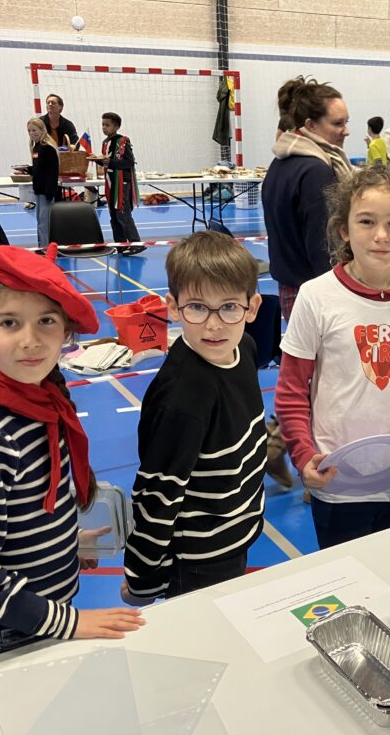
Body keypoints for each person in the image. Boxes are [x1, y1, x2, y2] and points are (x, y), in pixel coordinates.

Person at [0, 244, 145, 667]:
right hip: (0, 640)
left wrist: (63, 545)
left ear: (66, 333)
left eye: (46, 321)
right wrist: (70, 623)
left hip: (37, 621)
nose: (30, 340)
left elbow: (20, 515)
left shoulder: (44, 406)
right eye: (9, 323)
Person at [275, 164, 390, 548]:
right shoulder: (316, 297)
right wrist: (303, 454)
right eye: (366, 221)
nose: (381, 235)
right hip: (336, 479)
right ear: (344, 229)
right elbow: (291, 390)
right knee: (345, 574)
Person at [122, 231, 266, 603]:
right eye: (198, 307)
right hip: (197, 561)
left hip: (237, 536)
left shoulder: (245, 348)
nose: (214, 325)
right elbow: (157, 494)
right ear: (173, 307)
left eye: (229, 307)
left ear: (252, 307)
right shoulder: (182, 399)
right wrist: (142, 580)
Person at [261, 76, 353, 322]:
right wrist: (339, 295)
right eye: (338, 123)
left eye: (346, 122)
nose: (346, 130)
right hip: (313, 292)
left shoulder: (281, 160)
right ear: (311, 125)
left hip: (291, 286)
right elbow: (324, 245)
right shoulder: (315, 171)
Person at [92, 112, 144, 255]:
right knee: (114, 216)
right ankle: (120, 244)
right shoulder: (105, 142)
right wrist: (97, 160)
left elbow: (129, 162)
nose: (104, 127)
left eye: (107, 125)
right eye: (103, 125)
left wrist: (110, 162)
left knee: (122, 214)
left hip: (122, 184)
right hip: (110, 183)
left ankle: (136, 243)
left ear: (116, 127)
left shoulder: (122, 141)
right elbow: (107, 163)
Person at [26, 118, 59, 249]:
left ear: (42, 130)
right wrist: (27, 169)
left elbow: (52, 172)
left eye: (34, 130)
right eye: (29, 131)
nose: (31, 133)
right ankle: (42, 246)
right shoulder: (36, 147)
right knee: (40, 222)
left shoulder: (48, 148)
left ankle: (45, 248)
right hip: (39, 190)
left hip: (46, 192)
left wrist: (49, 192)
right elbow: (39, 168)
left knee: (45, 224)